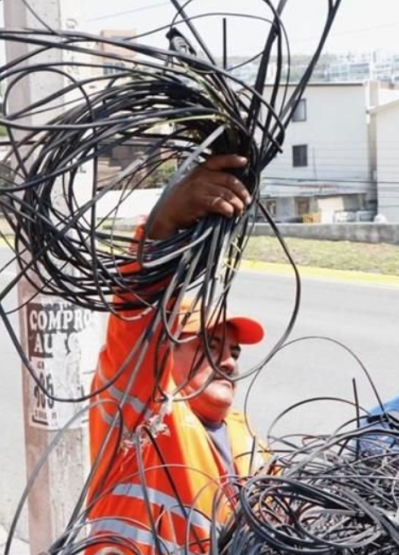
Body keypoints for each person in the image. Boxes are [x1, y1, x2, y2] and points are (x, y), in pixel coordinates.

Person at [86, 154, 266, 554]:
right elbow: (136, 325)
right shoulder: (143, 417)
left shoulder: (248, 441)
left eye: (234, 351)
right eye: (208, 346)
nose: (229, 361)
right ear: (164, 354)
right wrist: (160, 231)